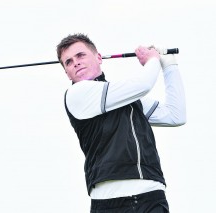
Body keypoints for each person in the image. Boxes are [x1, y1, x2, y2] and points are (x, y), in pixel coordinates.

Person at [56, 33, 186, 213]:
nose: (75, 62)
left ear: (98, 57)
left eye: (80, 55)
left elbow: (175, 115)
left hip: (151, 196)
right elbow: (143, 84)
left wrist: (170, 66)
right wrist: (153, 60)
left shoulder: (126, 98)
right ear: (67, 73)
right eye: (68, 62)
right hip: (108, 202)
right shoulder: (77, 94)